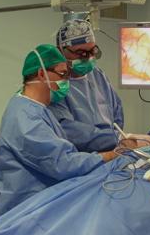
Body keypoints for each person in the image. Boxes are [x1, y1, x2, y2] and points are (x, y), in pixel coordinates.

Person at [0, 44, 119, 215]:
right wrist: (109, 156)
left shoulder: (40, 109)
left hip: (39, 208)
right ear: (41, 74)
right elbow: (61, 163)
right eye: (62, 75)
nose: (66, 81)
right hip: (26, 214)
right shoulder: (24, 117)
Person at [47, 19, 128, 152]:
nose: (88, 58)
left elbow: (116, 112)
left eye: (92, 51)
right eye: (81, 53)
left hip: (112, 148)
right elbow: (67, 130)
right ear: (61, 51)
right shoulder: (57, 83)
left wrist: (116, 140)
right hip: (80, 155)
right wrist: (112, 139)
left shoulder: (97, 74)